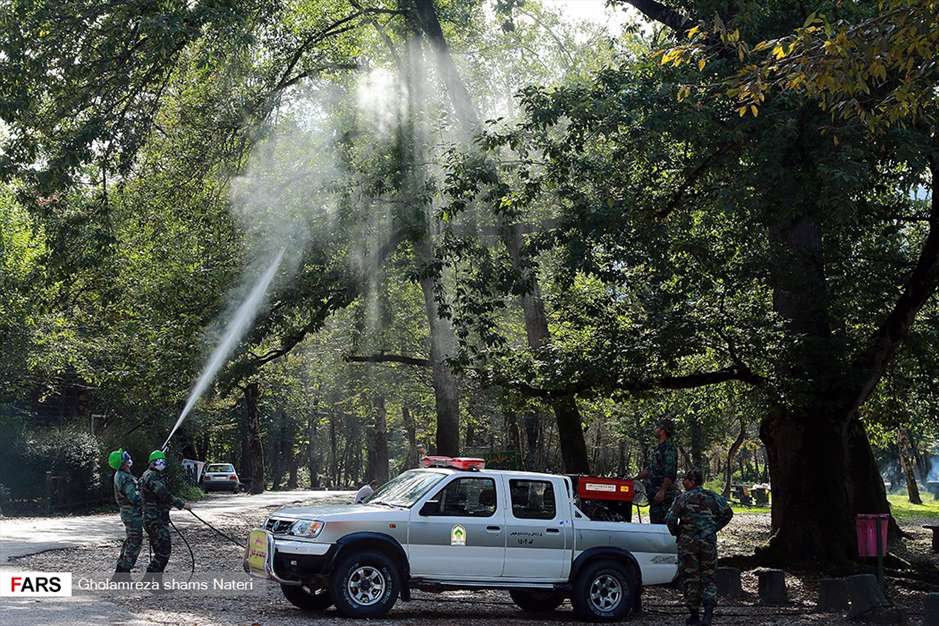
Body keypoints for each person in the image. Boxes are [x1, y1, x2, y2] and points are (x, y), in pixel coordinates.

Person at [665, 469, 734, 626]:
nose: (683, 482)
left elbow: (670, 519)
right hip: (708, 542)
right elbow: (728, 513)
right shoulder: (713, 496)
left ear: (692, 481)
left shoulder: (682, 498)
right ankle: (708, 616)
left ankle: (694, 615)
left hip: (688, 544)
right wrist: (714, 528)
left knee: (691, 578)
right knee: (709, 578)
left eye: (685, 479)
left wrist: (678, 533)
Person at [139, 450, 189, 581]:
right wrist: (181, 504)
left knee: (159, 551)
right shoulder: (151, 476)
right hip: (155, 519)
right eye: (162, 461)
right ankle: (150, 578)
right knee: (164, 551)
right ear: (155, 462)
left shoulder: (148, 475)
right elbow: (163, 494)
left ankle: (155, 582)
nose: (164, 463)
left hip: (154, 518)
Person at [637, 418, 679, 523]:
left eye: (657, 427)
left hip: (664, 497)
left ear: (662, 430)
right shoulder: (658, 449)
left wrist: (662, 491)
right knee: (655, 523)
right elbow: (650, 469)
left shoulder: (669, 448)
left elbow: (670, 472)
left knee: (663, 527)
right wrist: (634, 479)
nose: (655, 430)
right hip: (654, 495)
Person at [109, 448, 142, 580]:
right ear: (123, 463)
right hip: (132, 514)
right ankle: (123, 574)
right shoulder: (126, 478)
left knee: (130, 541)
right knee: (135, 542)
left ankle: (120, 573)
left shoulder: (121, 475)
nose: (129, 458)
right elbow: (134, 497)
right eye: (126, 457)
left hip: (128, 514)